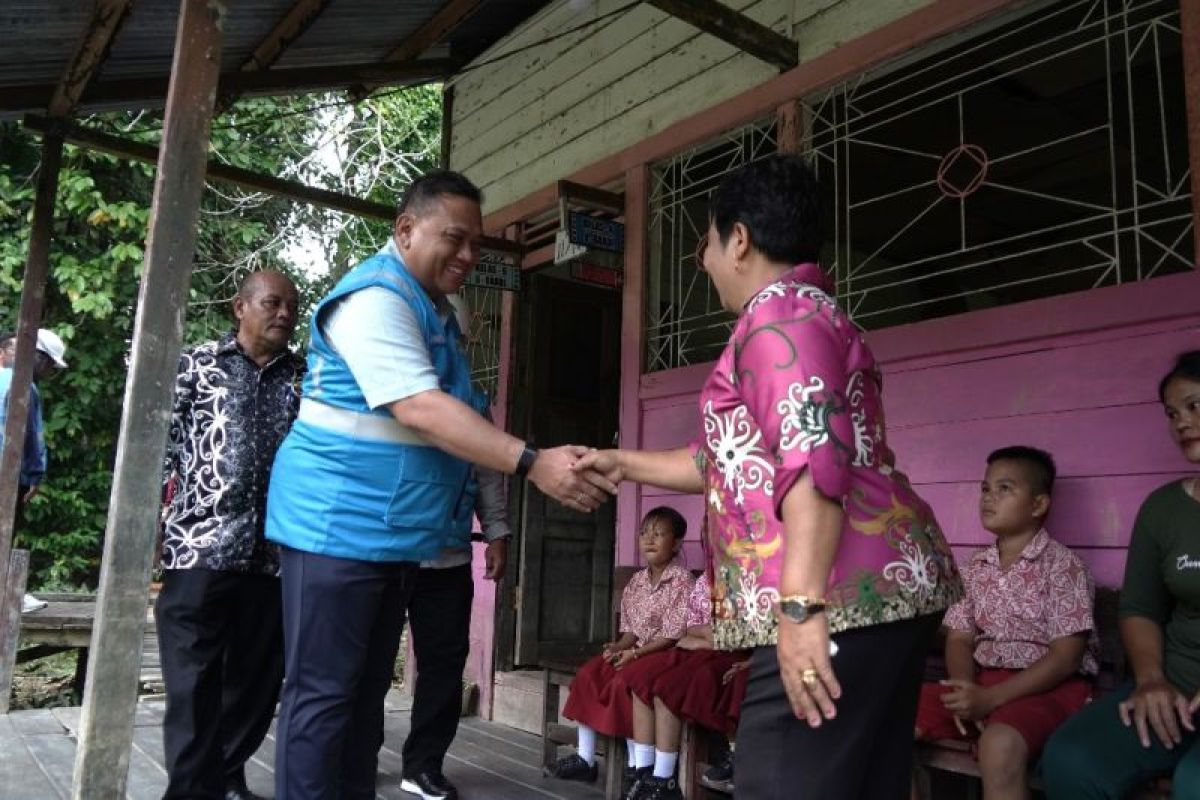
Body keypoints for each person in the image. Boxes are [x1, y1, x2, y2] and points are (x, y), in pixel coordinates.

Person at [573, 154, 963, 799]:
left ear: (741, 240)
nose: (702, 262)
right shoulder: (802, 313)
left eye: (706, 242)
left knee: (779, 783)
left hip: (840, 601)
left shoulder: (777, 318)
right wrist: (620, 462)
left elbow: (813, 461)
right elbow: (726, 460)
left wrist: (801, 609)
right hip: (874, 598)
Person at [264, 170, 613, 800]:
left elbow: (457, 428)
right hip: (336, 527)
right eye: (453, 238)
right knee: (324, 697)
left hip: (391, 537)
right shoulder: (377, 299)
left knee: (363, 696)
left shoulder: (432, 314)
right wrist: (534, 461)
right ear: (405, 228)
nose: (468, 255)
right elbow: (422, 409)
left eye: (476, 242)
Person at [157, 271, 303, 800]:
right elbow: (161, 448)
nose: (284, 313)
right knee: (193, 685)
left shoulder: (304, 378)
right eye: (271, 302)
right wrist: (150, 528)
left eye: (291, 305)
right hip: (200, 546)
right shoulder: (195, 365)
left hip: (273, 557)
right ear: (240, 307)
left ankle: (222, 776)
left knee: (257, 685)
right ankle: (192, 791)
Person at [1041, 351, 1200, 799]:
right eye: (1172, 413)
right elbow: (1140, 607)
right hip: (1178, 689)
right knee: (1073, 758)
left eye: (1195, 405)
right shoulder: (1165, 509)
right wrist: (1151, 680)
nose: (1181, 423)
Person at [913, 446, 1097, 800]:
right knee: (887, 715)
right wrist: (965, 693)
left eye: (1005, 489)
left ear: (1038, 504)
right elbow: (959, 639)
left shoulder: (1063, 567)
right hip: (983, 683)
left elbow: (1065, 658)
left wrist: (990, 698)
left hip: (1048, 689)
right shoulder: (974, 568)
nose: (988, 498)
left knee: (998, 746)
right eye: (985, 489)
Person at [398, 293, 512, 800]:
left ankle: (423, 765)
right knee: (369, 660)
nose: (446, 344)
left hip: (447, 556)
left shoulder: (473, 398)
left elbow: (489, 470)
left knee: (444, 665)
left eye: (453, 337)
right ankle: (355, 755)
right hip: (387, 548)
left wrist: (498, 532)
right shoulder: (395, 380)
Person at [547, 506, 694, 788]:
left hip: (664, 654)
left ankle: (636, 766)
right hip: (635, 651)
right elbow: (630, 632)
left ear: (676, 544)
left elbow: (671, 636)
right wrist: (617, 647)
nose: (649, 540)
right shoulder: (636, 582)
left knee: (625, 683)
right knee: (590, 674)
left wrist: (635, 654)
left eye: (659, 534)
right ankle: (585, 758)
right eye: (644, 534)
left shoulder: (682, 581)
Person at [617, 570, 750, 800]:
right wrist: (705, 635)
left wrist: (710, 639)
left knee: (667, 688)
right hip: (696, 648)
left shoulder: (753, 577)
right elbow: (690, 627)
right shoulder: (706, 578)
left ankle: (664, 779)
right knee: (641, 679)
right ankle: (644, 772)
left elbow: (746, 635)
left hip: (730, 653)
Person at [0, 328, 68, 613]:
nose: (49, 372)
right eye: (49, 365)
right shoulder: (23, 385)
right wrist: (35, 475)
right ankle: (8, 596)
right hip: (7, 474)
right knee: (5, 532)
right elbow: (31, 437)